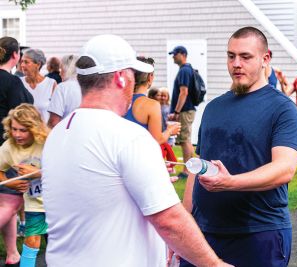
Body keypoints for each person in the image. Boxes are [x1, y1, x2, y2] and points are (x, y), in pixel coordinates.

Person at [41, 34, 231, 267]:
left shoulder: (58, 134)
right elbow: (169, 220)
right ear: (121, 78)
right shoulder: (128, 136)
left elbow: (96, 190)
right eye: (132, 74)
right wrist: (215, 264)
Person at [181, 27, 297, 267]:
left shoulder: (283, 109)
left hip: (259, 234)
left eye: (246, 57)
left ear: (265, 59)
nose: (236, 63)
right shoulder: (214, 108)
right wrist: (185, 227)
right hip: (205, 235)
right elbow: (199, 168)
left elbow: (285, 168)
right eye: (231, 56)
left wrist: (229, 183)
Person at [0, 104, 49, 267]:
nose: (17, 134)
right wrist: (11, 182)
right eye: (14, 129)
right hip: (34, 201)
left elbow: (68, 171)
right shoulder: (8, 147)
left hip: (59, 201)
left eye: (23, 130)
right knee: (32, 240)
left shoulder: (49, 142)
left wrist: (39, 173)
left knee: (59, 245)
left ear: (34, 128)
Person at [0, 36, 33, 267]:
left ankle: (12, 253)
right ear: (15, 55)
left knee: (5, 203)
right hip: (6, 151)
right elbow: (25, 112)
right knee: (11, 203)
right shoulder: (13, 84)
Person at [123, 56, 181, 144]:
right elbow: (157, 140)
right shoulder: (152, 105)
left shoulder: (118, 101)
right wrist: (170, 131)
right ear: (150, 77)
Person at [168, 45, 196, 179]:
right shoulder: (187, 69)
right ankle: (192, 168)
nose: (173, 57)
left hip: (184, 110)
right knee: (186, 140)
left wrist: (176, 111)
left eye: (175, 54)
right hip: (187, 109)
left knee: (184, 140)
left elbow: (183, 92)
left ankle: (186, 171)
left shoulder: (185, 70)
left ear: (182, 54)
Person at [20, 49, 57, 123]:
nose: (22, 65)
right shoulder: (19, 82)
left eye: (26, 62)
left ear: (38, 64)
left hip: (44, 132)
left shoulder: (51, 84)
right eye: (22, 61)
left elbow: (56, 113)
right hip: (23, 131)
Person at [47, 54, 81, 128]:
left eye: (61, 69)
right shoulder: (87, 86)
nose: (59, 73)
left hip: (65, 134)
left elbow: (53, 121)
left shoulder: (62, 88)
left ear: (66, 69)